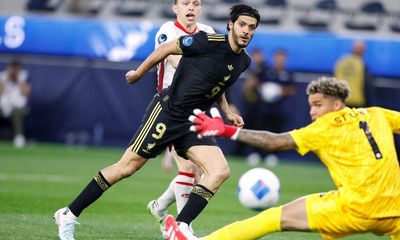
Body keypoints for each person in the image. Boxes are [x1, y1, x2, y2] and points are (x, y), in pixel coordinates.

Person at [53, 4, 260, 240]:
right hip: (168, 112)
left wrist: (226, 112)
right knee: (127, 167)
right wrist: (139, 73)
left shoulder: (243, 61)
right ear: (230, 25)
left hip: (194, 121)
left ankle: (180, 227)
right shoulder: (207, 41)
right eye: (242, 25)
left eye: (251, 27)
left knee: (220, 171)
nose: (246, 31)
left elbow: (218, 87)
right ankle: (68, 213)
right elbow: (165, 49)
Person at [165, 76, 400, 240]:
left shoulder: (324, 128)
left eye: (318, 105)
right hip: (395, 209)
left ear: (337, 103)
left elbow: (274, 141)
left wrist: (226, 130)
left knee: (272, 218)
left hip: (357, 208)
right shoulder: (378, 114)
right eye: (310, 106)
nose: (312, 112)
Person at [148, 0, 215, 235]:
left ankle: (160, 206)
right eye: (185, 2)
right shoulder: (167, 30)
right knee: (188, 168)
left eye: (196, 3)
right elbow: (175, 60)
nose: (191, 7)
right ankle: (184, 228)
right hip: (170, 108)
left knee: (196, 172)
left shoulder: (208, 33)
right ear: (175, 7)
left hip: (197, 110)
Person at [0, 60, 31, 148]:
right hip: (3, 106)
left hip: (19, 107)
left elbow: (26, 92)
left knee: (17, 111)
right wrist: (6, 80)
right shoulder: (3, 76)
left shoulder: (24, 76)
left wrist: (18, 80)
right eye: (12, 68)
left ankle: (18, 137)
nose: (14, 71)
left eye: (16, 68)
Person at [334, 40, 373, 108]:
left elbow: (333, 80)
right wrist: (369, 104)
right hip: (356, 101)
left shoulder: (341, 61)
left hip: (341, 100)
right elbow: (366, 85)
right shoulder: (361, 64)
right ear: (363, 50)